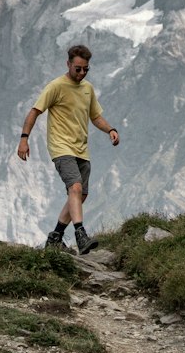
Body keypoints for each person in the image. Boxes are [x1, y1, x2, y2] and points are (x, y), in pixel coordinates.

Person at [17, 44, 119, 254]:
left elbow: (95, 116)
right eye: (78, 69)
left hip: (81, 149)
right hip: (61, 147)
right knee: (75, 187)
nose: (82, 73)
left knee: (80, 196)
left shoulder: (88, 89)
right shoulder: (56, 86)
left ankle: (55, 237)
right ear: (68, 64)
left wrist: (110, 130)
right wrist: (24, 139)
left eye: (85, 69)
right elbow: (34, 112)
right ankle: (80, 235)